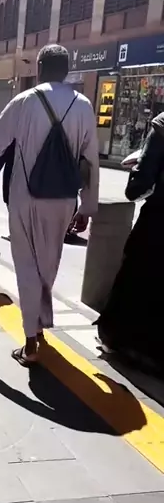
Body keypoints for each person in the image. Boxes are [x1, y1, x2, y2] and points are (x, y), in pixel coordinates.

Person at [0, 44, 99, 365]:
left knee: (26, 264)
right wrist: (87, 207)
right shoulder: (83, 105)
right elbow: (90, 160)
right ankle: (38, 323)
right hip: (64, 199)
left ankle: (31, 340)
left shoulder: (24, 101)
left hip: (26, 198)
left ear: (39, 69)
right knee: (49, 263)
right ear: (67, 70)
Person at [96, 113, 164, 374]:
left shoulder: (162, 125)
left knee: (138, 277)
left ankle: (127, 344)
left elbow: (140, 185)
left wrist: (137, 169)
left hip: (158, 222)